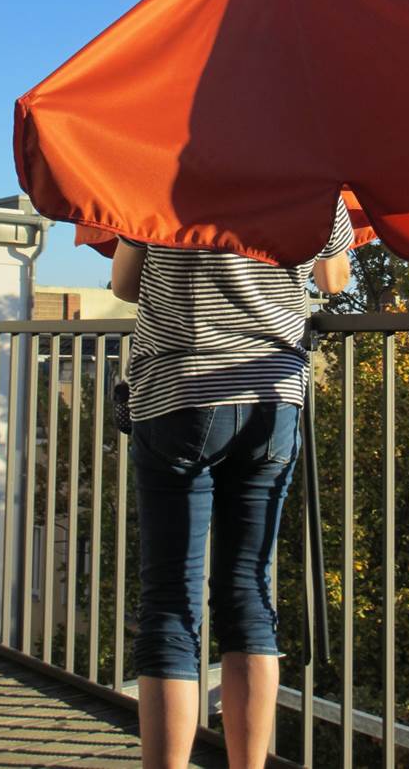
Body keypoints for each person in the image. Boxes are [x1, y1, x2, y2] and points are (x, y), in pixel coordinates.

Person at [111, 197, 354, 769]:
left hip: (179, 391)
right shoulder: (313, 176)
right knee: (248, 592)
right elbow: (332, 279)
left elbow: (125, 284)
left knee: (171, 600)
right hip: (271, 395)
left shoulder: (153, 172)